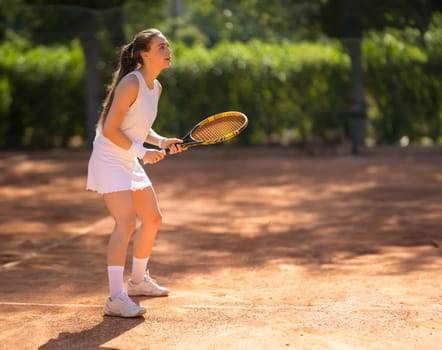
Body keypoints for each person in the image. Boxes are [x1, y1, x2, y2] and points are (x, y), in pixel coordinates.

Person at [86, 28, 185, 318]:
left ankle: (138, 281)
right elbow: (110, 129)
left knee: (153, 218)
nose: (168, 51)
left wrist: (161, 141)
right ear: (144, 53)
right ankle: (116, 298)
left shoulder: (156, 87)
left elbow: (138, 125)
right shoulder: (131, 83)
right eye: (161, 47)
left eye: (168, 46)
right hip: (109, 158)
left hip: (127, 156)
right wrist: (143, 152)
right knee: (126, 222)